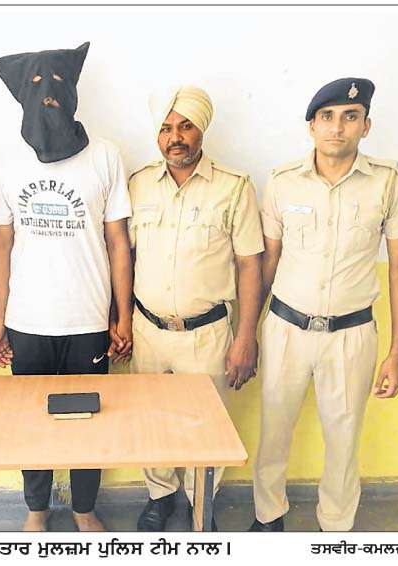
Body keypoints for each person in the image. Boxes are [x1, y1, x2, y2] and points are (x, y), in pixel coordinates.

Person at [251, 78, 398, 532]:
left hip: (351, 334)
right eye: (326, 117)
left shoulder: (389, 181)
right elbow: (268, 262)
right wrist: (247, 334)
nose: (337, 127)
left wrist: (397, 353)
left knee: (344, 440)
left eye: (350, 117)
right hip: (285, 328)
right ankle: (268, 517)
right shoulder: (282, 182)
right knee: (274, 432)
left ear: (366, 126)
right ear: (312, 126)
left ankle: (336, 529)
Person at [0, 42, 133, 532]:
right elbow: (0, 243)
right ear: (20, 96)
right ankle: (36, 509)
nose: (48, 93)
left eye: (58, 83)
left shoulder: (105, 156)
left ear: (72, 91)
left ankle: (84, 509)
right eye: (35, 85)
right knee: (32, 422)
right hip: (27, 320)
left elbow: (118, 240)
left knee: (90, 421)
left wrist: (123, 316)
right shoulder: (6, 160)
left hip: (88, 318)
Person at [128, 86, 264, 531]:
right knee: (151, 420)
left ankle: (199, 501)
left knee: (207, 425)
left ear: (201, 129)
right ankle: (160, 496)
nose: (176, 138)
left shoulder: (234, 186)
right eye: (166, 128)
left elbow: (250, 265)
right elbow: (124, 257)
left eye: (185, 126)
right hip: (148, 329)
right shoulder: (138, 184)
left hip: (208, 333)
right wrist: (119, 321)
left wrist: (246, 337)